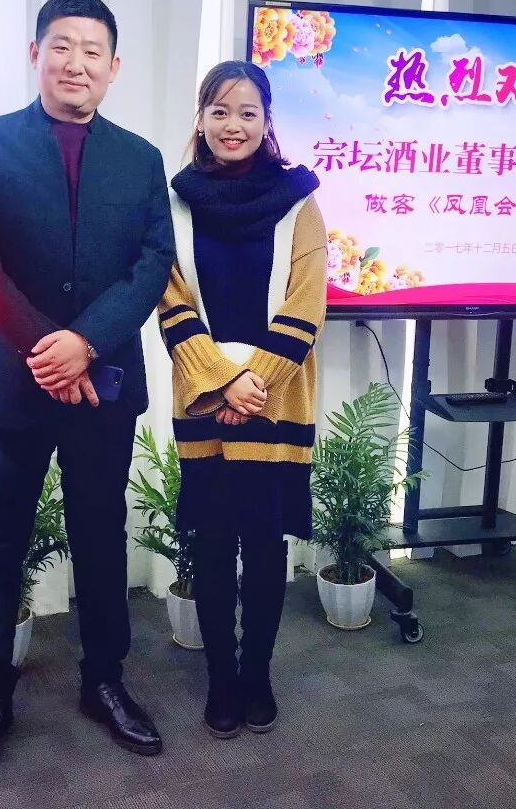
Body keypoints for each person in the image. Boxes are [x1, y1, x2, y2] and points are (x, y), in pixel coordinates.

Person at [0, 0, 174, 783]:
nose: (76, 62)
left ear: (114, 67)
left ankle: (104, 681)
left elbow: (153, 264)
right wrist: (48, 348)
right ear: (35, 53)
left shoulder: (140, 159)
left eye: (92, 51)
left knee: (101, 535)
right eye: (62, 46)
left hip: (101, 385)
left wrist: (85, 343)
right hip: (8, 385)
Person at [156, 60, 326, 740]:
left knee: (262, 543)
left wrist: (254, 384)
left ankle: (257, 674)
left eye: (248, 112)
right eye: (220, 111)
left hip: (276, 404)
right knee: (213, 541)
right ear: (201, 119)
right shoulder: (175, 203)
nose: (234, 125)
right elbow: (171, 304)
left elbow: (306, 305)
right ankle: (221, 679)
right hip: (206, 403)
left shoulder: (299, 201)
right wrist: (221, 383)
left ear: (267, 121)